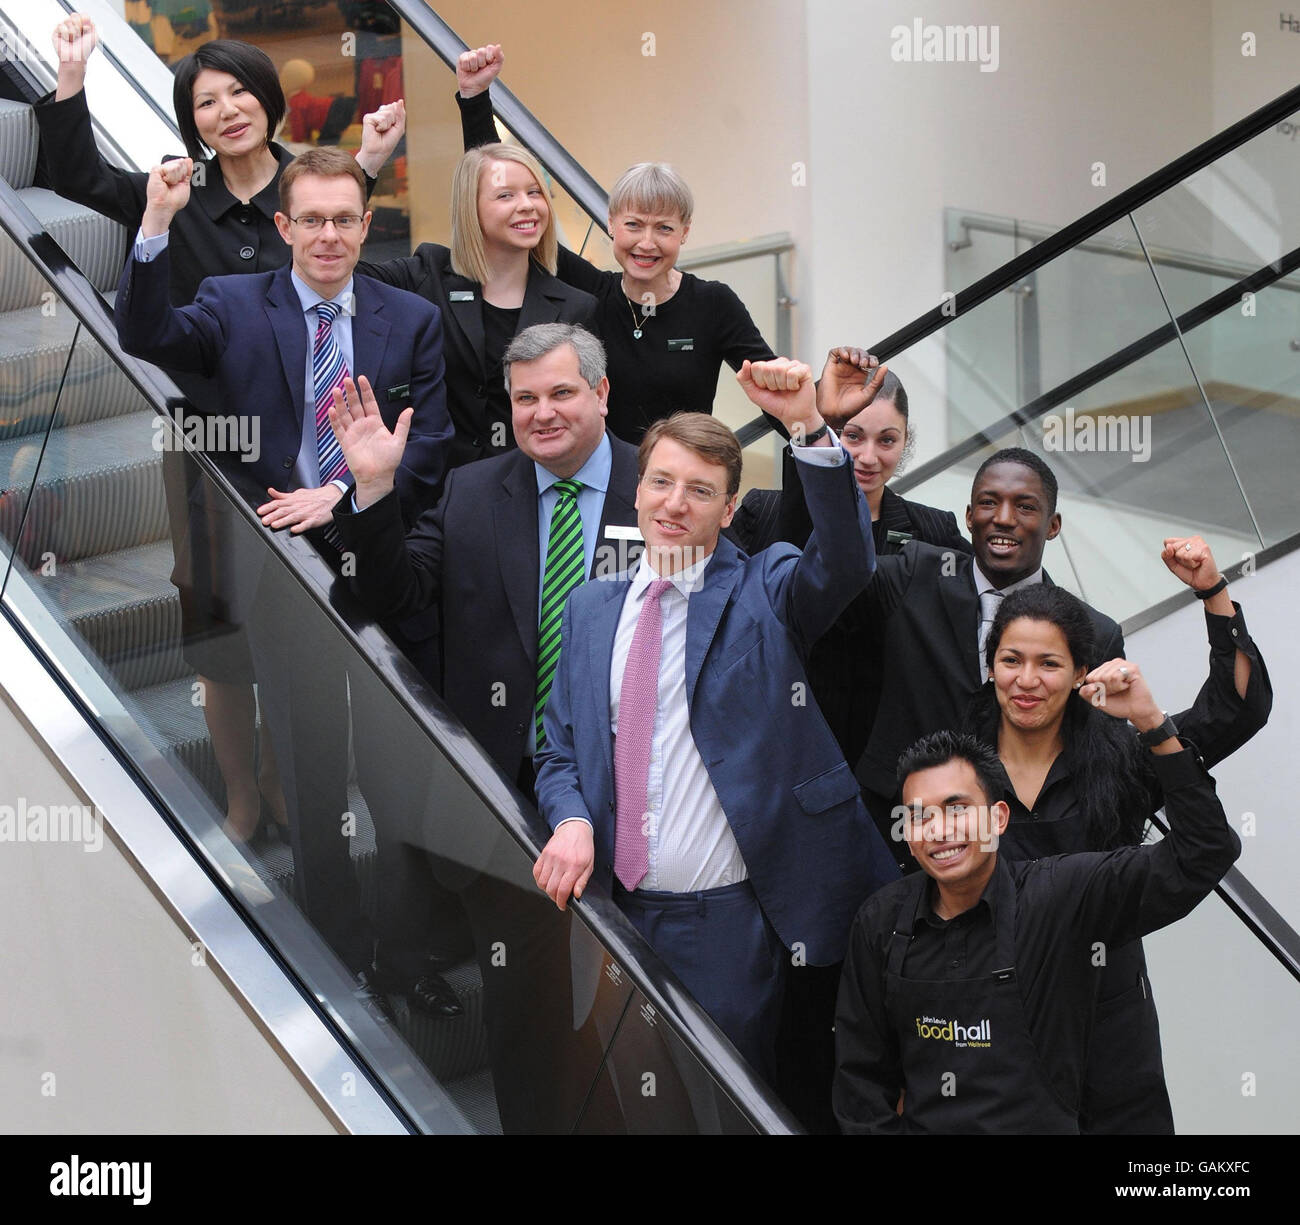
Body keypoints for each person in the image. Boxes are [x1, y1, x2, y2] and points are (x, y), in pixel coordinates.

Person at [36, 14, 406, 843]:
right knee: (217, 627)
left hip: (319, 449)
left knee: (313, 614)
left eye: (241, 91)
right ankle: (244, 791)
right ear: (189, 118)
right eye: (206, 101)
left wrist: (371, 163)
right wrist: (70, 79)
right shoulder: (174, 191)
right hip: (211, 448)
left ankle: (291, 778)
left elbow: (349, 258)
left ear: (271, 101)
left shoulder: (311, 188)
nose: (228, 110)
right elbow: (74, 176)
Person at [114, 144, 452, 1005]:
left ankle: (406, 960)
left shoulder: (409, 318)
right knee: (309, 774)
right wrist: (154, 222)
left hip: (380, 560)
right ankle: (337, 963)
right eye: (312, 219)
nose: (329, 234)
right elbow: (146, 335)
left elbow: (434, 449)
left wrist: (340, 491)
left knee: (398, 773)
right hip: (281, 570)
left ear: (367, 225)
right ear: (283, 225)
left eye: (346, 218)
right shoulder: (231, 301)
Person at [531, 360, 899, 1080]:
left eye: (700, 491)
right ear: (637, 490)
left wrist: (808, 427)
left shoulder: (767, 585)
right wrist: (570, 818)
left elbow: (848, 562)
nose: (675, 503)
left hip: (724, 927)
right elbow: (559, 752)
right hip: (609, 911)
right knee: (616, 1101)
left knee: (716, 1105)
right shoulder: (590, 607)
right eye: (662, 482)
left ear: (729, 510)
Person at [330, 323, 638, 1129]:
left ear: (602, 394)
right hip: (510, 817)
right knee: (528, 1032)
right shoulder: (473, 491)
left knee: (644, 1031)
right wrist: (371, 494)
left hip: (643, 806)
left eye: (561, 392)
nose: (541, 412)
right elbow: (397, 597)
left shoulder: (663, 486)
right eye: (524, 397)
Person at [730, 356, 970, 1132]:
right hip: (782, 775)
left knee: (872, 979)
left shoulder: (933, 531)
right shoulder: (768, 512)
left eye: (886, 440)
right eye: (851, 434)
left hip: (880, 786)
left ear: (907, 444)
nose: (867, 455)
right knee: (788, 979)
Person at [965, 544, 1269, 1132]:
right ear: (991, 663)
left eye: (1049, 664)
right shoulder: (957, 769)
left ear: (1081, 672)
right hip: (991, 1022)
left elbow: (1237, 709)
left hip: (1109, 1020)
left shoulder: (1120, 760)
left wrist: (1211, 592)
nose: (1027, 681)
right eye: (1011, 660)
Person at [833, 726, 1241, 1134]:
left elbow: (1204, 852)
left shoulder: (1061, 895)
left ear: (999, 818)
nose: (939, 831)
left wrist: (1155, 728)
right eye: (921, 816)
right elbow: (861, 1084)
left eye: (957, 809)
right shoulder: (880, 921)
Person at [455, 46, 778, 442]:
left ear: (685, 232)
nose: (646, 243)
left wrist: (826, 441)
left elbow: (775, 392)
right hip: (604, 489)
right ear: (610, 224)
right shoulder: (589, 294)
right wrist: (474, 102)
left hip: (679, 484)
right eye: (633, 225)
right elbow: (492, 183)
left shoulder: (713, 304)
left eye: (663, 228)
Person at [848, 446, 1124, 860]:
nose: (1004, 518)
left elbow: (1098, 763)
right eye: (989, 503)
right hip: (894, 840)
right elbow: (833, 572)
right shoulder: (915, 574)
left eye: (1025, 507)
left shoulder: (1094, 633)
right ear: (968, 516)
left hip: (1015, 859)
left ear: (1053, 526)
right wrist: (816, 433)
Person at [357, 53, 596, 471]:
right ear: (472, 208)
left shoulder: (575, 305)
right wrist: (368, 166)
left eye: (535, 193)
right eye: (506, 196)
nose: (527, 207)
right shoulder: (427, 273)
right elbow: (338, 268)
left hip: (532, 494)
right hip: (436, 497)